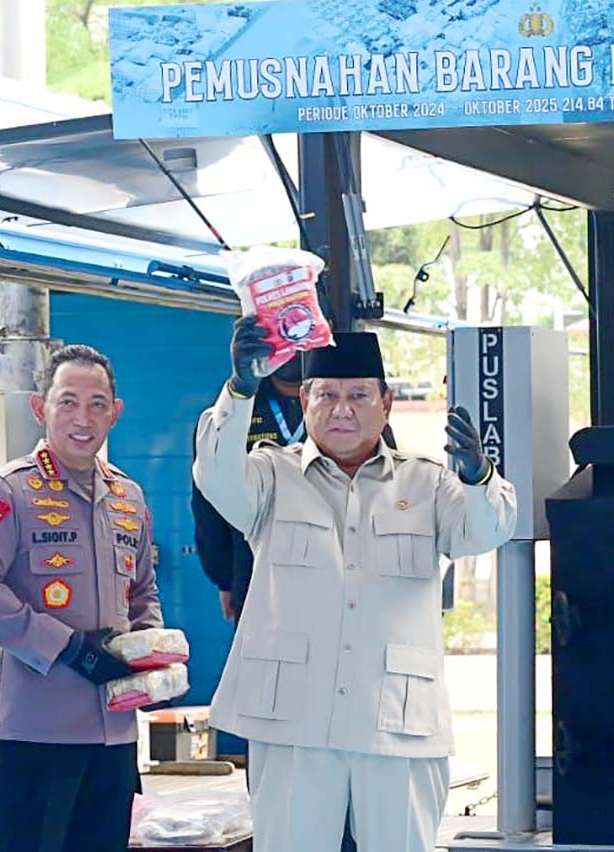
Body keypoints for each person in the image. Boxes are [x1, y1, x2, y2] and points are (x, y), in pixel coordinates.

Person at [194, 319, 517, 852]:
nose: (342, 409)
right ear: (304, 398)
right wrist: (240, 390)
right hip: (293, 721)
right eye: (327, 395)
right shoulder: (269, 477)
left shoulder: (429, 481)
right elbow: (214, 474)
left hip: (396, 720)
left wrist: (479, 477)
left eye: (359, 395)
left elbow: (485, 531)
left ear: (386, 403)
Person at [0, 344, 164, 852]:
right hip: (37, 732)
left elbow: (143, 590)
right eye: (68, 401)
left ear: (115, 413)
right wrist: (66, 646)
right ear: (40, 408)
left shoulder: (130, 497)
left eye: (98, 404)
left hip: (116, 733)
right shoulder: (7, 491)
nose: (83, 418)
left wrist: (150, 653)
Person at [191, 355, 305, 623]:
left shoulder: (341, 404)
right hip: (254, 574)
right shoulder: (235, 407)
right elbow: (208, 505)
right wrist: (225, 579)